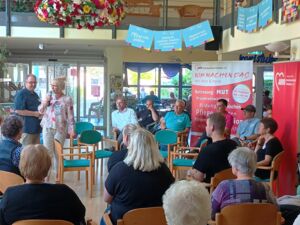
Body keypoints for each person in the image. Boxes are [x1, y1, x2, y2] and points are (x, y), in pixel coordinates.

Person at [0, 144, 86, 225]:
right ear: (48, 168)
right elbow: (80, 215)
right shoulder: (65, 192)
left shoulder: (9, 196)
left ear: (21, 166)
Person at [103, 128, 175, 225]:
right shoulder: (165, 171)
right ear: (154, 146)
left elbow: (107, 199)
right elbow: (171, 196)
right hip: (157, 221)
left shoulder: (119, 170)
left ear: (132, 146)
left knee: (105, 215)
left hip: (124, 221)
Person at [211, 147, 277, 219]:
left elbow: (211, 212)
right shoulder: (265, 188)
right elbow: (275, 210)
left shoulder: (223, 186)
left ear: (236, 167)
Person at [38, 76, 76, 180]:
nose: (53, 88)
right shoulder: (48, 96)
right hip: (47, 128)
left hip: (60, 129)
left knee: (58, 153)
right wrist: (45, 102)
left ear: (61, 87)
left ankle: (59, 175)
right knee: (47, 153)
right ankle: (46, 177)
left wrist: (72, 130)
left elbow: (71, 116)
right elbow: (40, 111)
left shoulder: (67, 99)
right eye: (52, 85)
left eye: (55, 86)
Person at [188, 112, 237, 183]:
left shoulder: (207, 150)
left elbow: (199, 177)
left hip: (211, 190)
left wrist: (189, 172)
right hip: (230, 188)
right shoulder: (234, 145)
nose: (206, 127)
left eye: (207, 125)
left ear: (212, 127)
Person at [14, 74, 42, 145]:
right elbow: (18, 111)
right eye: (31, 82)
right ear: (26, 82)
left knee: (35, 153)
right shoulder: (21, 94)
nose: (33, 84)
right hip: (27, 130)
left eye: (35, 82)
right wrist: (34, 114)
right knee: (26, 153)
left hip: (36, 129)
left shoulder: (35, 94)